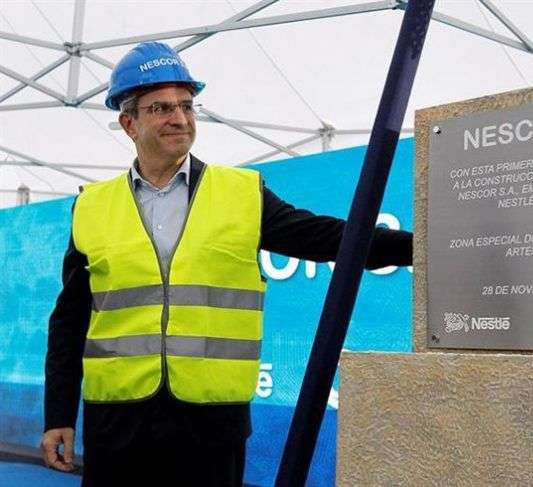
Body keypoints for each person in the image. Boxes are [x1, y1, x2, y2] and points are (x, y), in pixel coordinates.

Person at [40, 41, 412, 487]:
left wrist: (423, 245)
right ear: (128, 122)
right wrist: (59, 413)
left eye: (186, 105)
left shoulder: (240, 193)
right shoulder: (92, 207)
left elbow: (330, 238)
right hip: (117, 426)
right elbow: (69, 322)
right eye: (160, 108)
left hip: (210, 427)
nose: (179, 118)